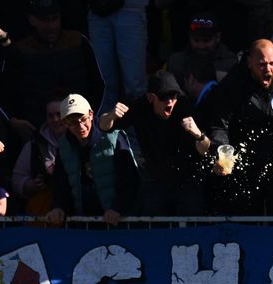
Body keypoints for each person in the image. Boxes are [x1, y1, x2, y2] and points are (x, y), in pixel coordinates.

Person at [203, 39, 273, 215]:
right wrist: (222, 153)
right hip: (243, 165)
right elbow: (219, 126)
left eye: (272, 64)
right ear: (250, 63)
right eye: (262, 65)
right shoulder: (233, 85)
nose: (268, 70)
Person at [98, 70, 212, 216]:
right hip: (156, 180)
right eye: (164, 97)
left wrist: (198, 135)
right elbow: (103, 126)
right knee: (152, 219)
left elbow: (207, 150)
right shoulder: (140, 107)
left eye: (173, 96)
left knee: (192, 217)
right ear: (151, 97)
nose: (170, 101)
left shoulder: (185, 107)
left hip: (187, 180)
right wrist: (111, 115)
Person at [0, 0, 103, 142]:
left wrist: (90, 117)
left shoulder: (77, 41)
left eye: (55, 19)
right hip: (37, 132)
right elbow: (2, 90)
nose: (52, 26)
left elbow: (99, 83)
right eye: (45, 21)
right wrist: (13, 120)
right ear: (32, 20)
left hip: (78, 128)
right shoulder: (21, 49)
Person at [46, 93, 138, 226]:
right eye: (72, 122)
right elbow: (61, 184)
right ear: (65, 123)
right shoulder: (63, 146)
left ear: (91, 114)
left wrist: (119, 208)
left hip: (118, 222)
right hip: (82, 225)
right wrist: (58, 207)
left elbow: (130, 179)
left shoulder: (113, 138)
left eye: (83, 119)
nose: (80, 126)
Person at [10, 94, 67, 216]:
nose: (55, 119)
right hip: (44, 214)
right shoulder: (34, 145)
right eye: (50, 116)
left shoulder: (81, 141)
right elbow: (17, 179)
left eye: (59, 114)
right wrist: (29, 185)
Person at [85, 0, 147, 109]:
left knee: (134, 81)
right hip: (97, 10)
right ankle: (105, 123)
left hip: (130, 7)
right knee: (103, 81)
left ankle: (138, 122)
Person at [166, 11, 239, 86]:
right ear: (189, 37)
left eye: (206, 40)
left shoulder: (230, 63)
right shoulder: (175, 61)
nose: (201, 46)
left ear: (218, 37)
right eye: (196, 40)